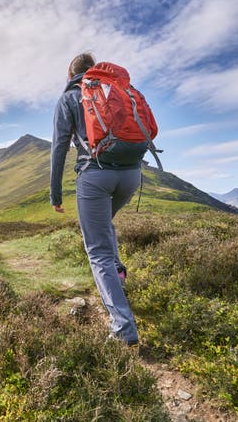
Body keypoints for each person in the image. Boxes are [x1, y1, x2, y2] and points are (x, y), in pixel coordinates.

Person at [50, 52, 141, 346]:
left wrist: (55, 194)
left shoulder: (69, 99)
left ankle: (123, 328)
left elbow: (60, 148)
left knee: (97, 251)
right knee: (104, 228)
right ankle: (116, 268)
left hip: (95, 176)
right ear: (93, 71)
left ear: (70, 75)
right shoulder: (114, 90)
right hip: (131, 175)